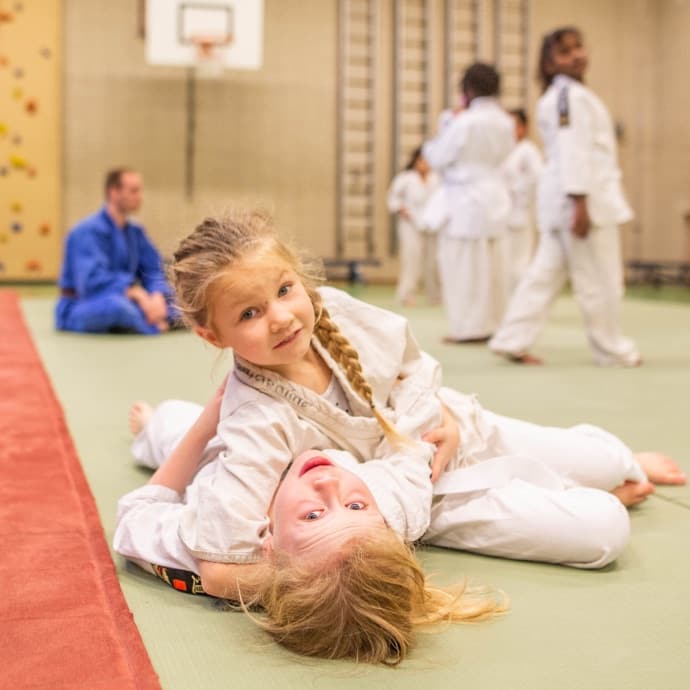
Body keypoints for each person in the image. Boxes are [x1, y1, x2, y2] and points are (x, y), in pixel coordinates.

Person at [114, 208, 685, 663]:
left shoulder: (334, 313)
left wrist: (448, 422)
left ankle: (164, 424)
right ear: (211, 335)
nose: (283, 318)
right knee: (603, 530)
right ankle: (166, 425)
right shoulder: (257, 425)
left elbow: (414, 372)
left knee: (607, 459)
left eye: (285, 290)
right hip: (407, 489)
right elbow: (217, 563)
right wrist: (333, 569)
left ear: (299, 276)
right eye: (249, 315)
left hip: (444, 435)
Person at [489, 28, 640, 366]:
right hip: (580, 200)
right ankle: (612, 350)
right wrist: (580, 202)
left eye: (578, 47)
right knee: (599, 281)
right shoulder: (567, 97)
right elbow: (573, 150)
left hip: (567, 200)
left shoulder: (571, 95)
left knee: (542, 277)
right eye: (565, 51)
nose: (576, 55)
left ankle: (512, 338)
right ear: (549, 63)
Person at [422, 63, 515, 343]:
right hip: (495, 195)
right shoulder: (505, 121)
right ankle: (495, 323)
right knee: (494, 266)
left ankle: (468, 328)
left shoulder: (464, 121)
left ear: (468, 89)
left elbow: (438, 157)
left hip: (465, 200)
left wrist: (443, 126)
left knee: (464, 267)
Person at [55, 168, 178, 334]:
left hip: (132, 300)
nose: (140, 197)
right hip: (84, 304)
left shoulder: (135, 232)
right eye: (134, 191)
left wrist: (157, 296)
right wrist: (136, 292)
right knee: (117, 308)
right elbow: (90, 281)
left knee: (181, 304)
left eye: (139, 191)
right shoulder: (85, 232)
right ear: (114, 192)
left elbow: (154, 269)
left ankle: (149, 317)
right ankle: (154, 324)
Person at [386, 146, 441, 307]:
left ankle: (435, 296)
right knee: (411, 259)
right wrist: (401, 209)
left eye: (427, 161)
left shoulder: (437, 179)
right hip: (410, 223)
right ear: (415, 161)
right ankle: (406, 295)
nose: (424, 164)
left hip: (432, 225)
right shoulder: (405, 178)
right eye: (421, 160)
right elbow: (392, 198)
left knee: (433, 262)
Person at [501, 108, 543, 293]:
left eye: (513, 125)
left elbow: (537, 179)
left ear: (523, 128)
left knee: (521, 261)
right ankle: (508, 301)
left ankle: (521, 299)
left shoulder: (528, 151)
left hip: (522, 210)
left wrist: (517, 190)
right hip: (502, 213)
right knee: (505, 262)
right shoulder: (503, 151)